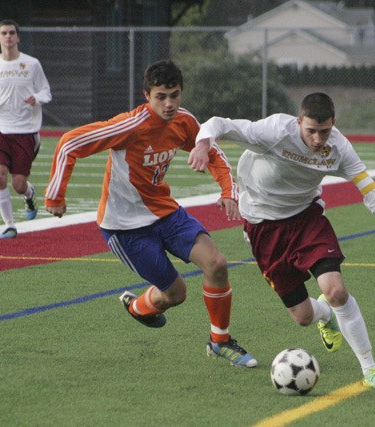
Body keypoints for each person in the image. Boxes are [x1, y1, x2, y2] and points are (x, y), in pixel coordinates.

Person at [189, 92, 375, 390]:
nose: (316, 139)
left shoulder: (338, 148)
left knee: (336, 291)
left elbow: (370, 189)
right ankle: (325, 316)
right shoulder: (274, 131)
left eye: (324, 131)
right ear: (299, 122)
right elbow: (220, 123)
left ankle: (371, 370)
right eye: (310, 130)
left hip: (306, 219)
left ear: (333, 124)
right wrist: (202, 142)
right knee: (302, 316)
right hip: (263, 226)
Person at [45, 60, 256, 367]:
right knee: (175, 294)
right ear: (147, 95)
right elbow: (69, 143)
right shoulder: (130, 126)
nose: (169, 103)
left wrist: (228, 191)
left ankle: (220, 342)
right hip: (125, 227)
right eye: (161, 96)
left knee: (217, 264)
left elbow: (212, 153)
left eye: (174, 95)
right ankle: (139, 308)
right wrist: (55, 194)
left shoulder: (183, 122)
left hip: (166, 213)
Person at [0, 19, 52, 239]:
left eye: (12, 33)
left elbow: (46, 91)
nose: (8, 37)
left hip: (26, 130)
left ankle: (29, 194)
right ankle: (9, 225)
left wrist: (37, 97)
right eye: (4, 33)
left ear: (18, 37)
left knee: (18, 184)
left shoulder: (31, 64)